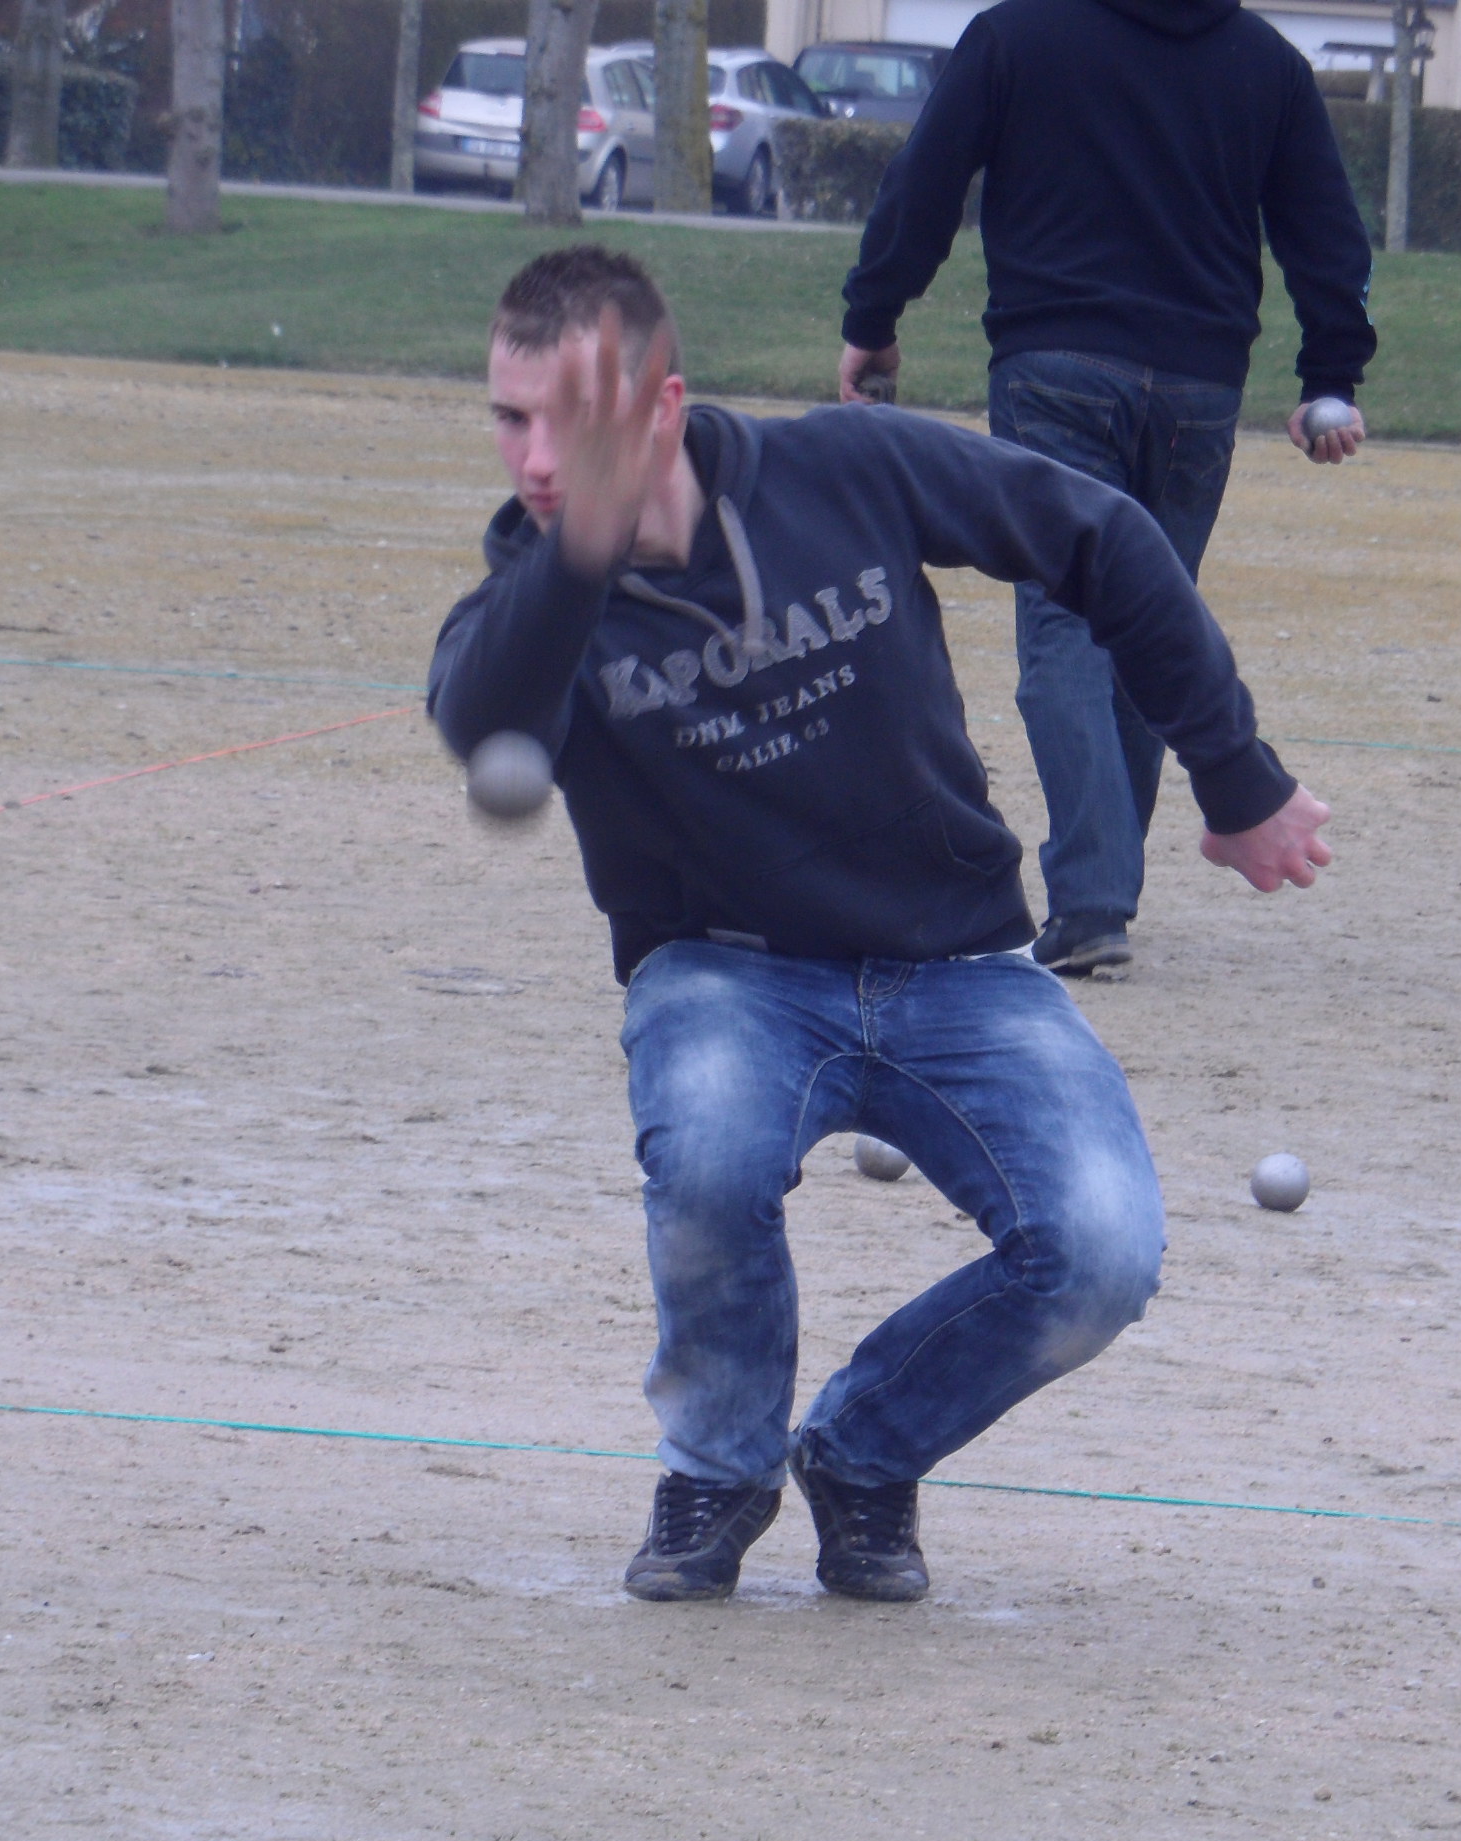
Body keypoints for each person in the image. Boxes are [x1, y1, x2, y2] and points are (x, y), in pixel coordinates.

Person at [429, 246, 1331, 1605]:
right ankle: (719, 1472)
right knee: (712, 1160)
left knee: (1100, 1255)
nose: (541, 458)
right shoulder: (535, 594)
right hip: (723, 975)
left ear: (665, 406)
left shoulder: (841, 469)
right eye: (513, 420)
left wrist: (1237, 774)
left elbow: (1101, 537)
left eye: (579, 420)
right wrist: (583, 552)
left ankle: (862, 1453)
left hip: (959, 963)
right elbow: (480, 717)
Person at [835, 0, 1376, 978]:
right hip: (1200, 385)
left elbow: (924, 182)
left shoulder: (1016, 35)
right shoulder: (1266, 63)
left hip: (1055, 366)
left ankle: (1091, 900)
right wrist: (1330, 374)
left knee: (1063, 622)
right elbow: (1325, 230)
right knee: (1148, 617)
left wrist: (874, 317)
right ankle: (1103, 891)